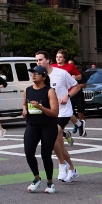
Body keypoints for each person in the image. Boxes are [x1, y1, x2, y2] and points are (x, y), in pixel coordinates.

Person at [38, 50, 79, 182]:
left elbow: (76, 86)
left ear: (48, 60)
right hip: (49, 112)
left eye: (40, 60)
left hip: (63, 112)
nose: (38, 62)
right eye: (36, 60)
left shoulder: (61, 73)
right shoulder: (39, 76)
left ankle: (62, 165)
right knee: (58, 144)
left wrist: (67, 96)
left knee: (53, 135)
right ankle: (72, 168)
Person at [22, 65, 59, 193]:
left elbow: (55, 113)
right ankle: (37, 178)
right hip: (32, 125)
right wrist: (24, 110)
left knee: (45, 155)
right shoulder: (27, 90)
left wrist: (40, 107)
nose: (33, 75)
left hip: (48, 126)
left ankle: (50, 182)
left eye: (36, 73)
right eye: (32, 73)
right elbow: (24, 104)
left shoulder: (49, 91)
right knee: (28, 152)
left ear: (43, 77)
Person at [54, 50, 85, 137]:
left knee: (65, 112)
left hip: (68, 92)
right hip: (56, 92)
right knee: (65, 112)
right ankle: (78, 124)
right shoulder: (53, 66)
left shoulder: (70, 66)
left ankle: (61, 134)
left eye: (60, 57)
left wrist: (74, 77)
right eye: (57, 57)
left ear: (64, 59)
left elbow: (79, 76)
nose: (58, 59)